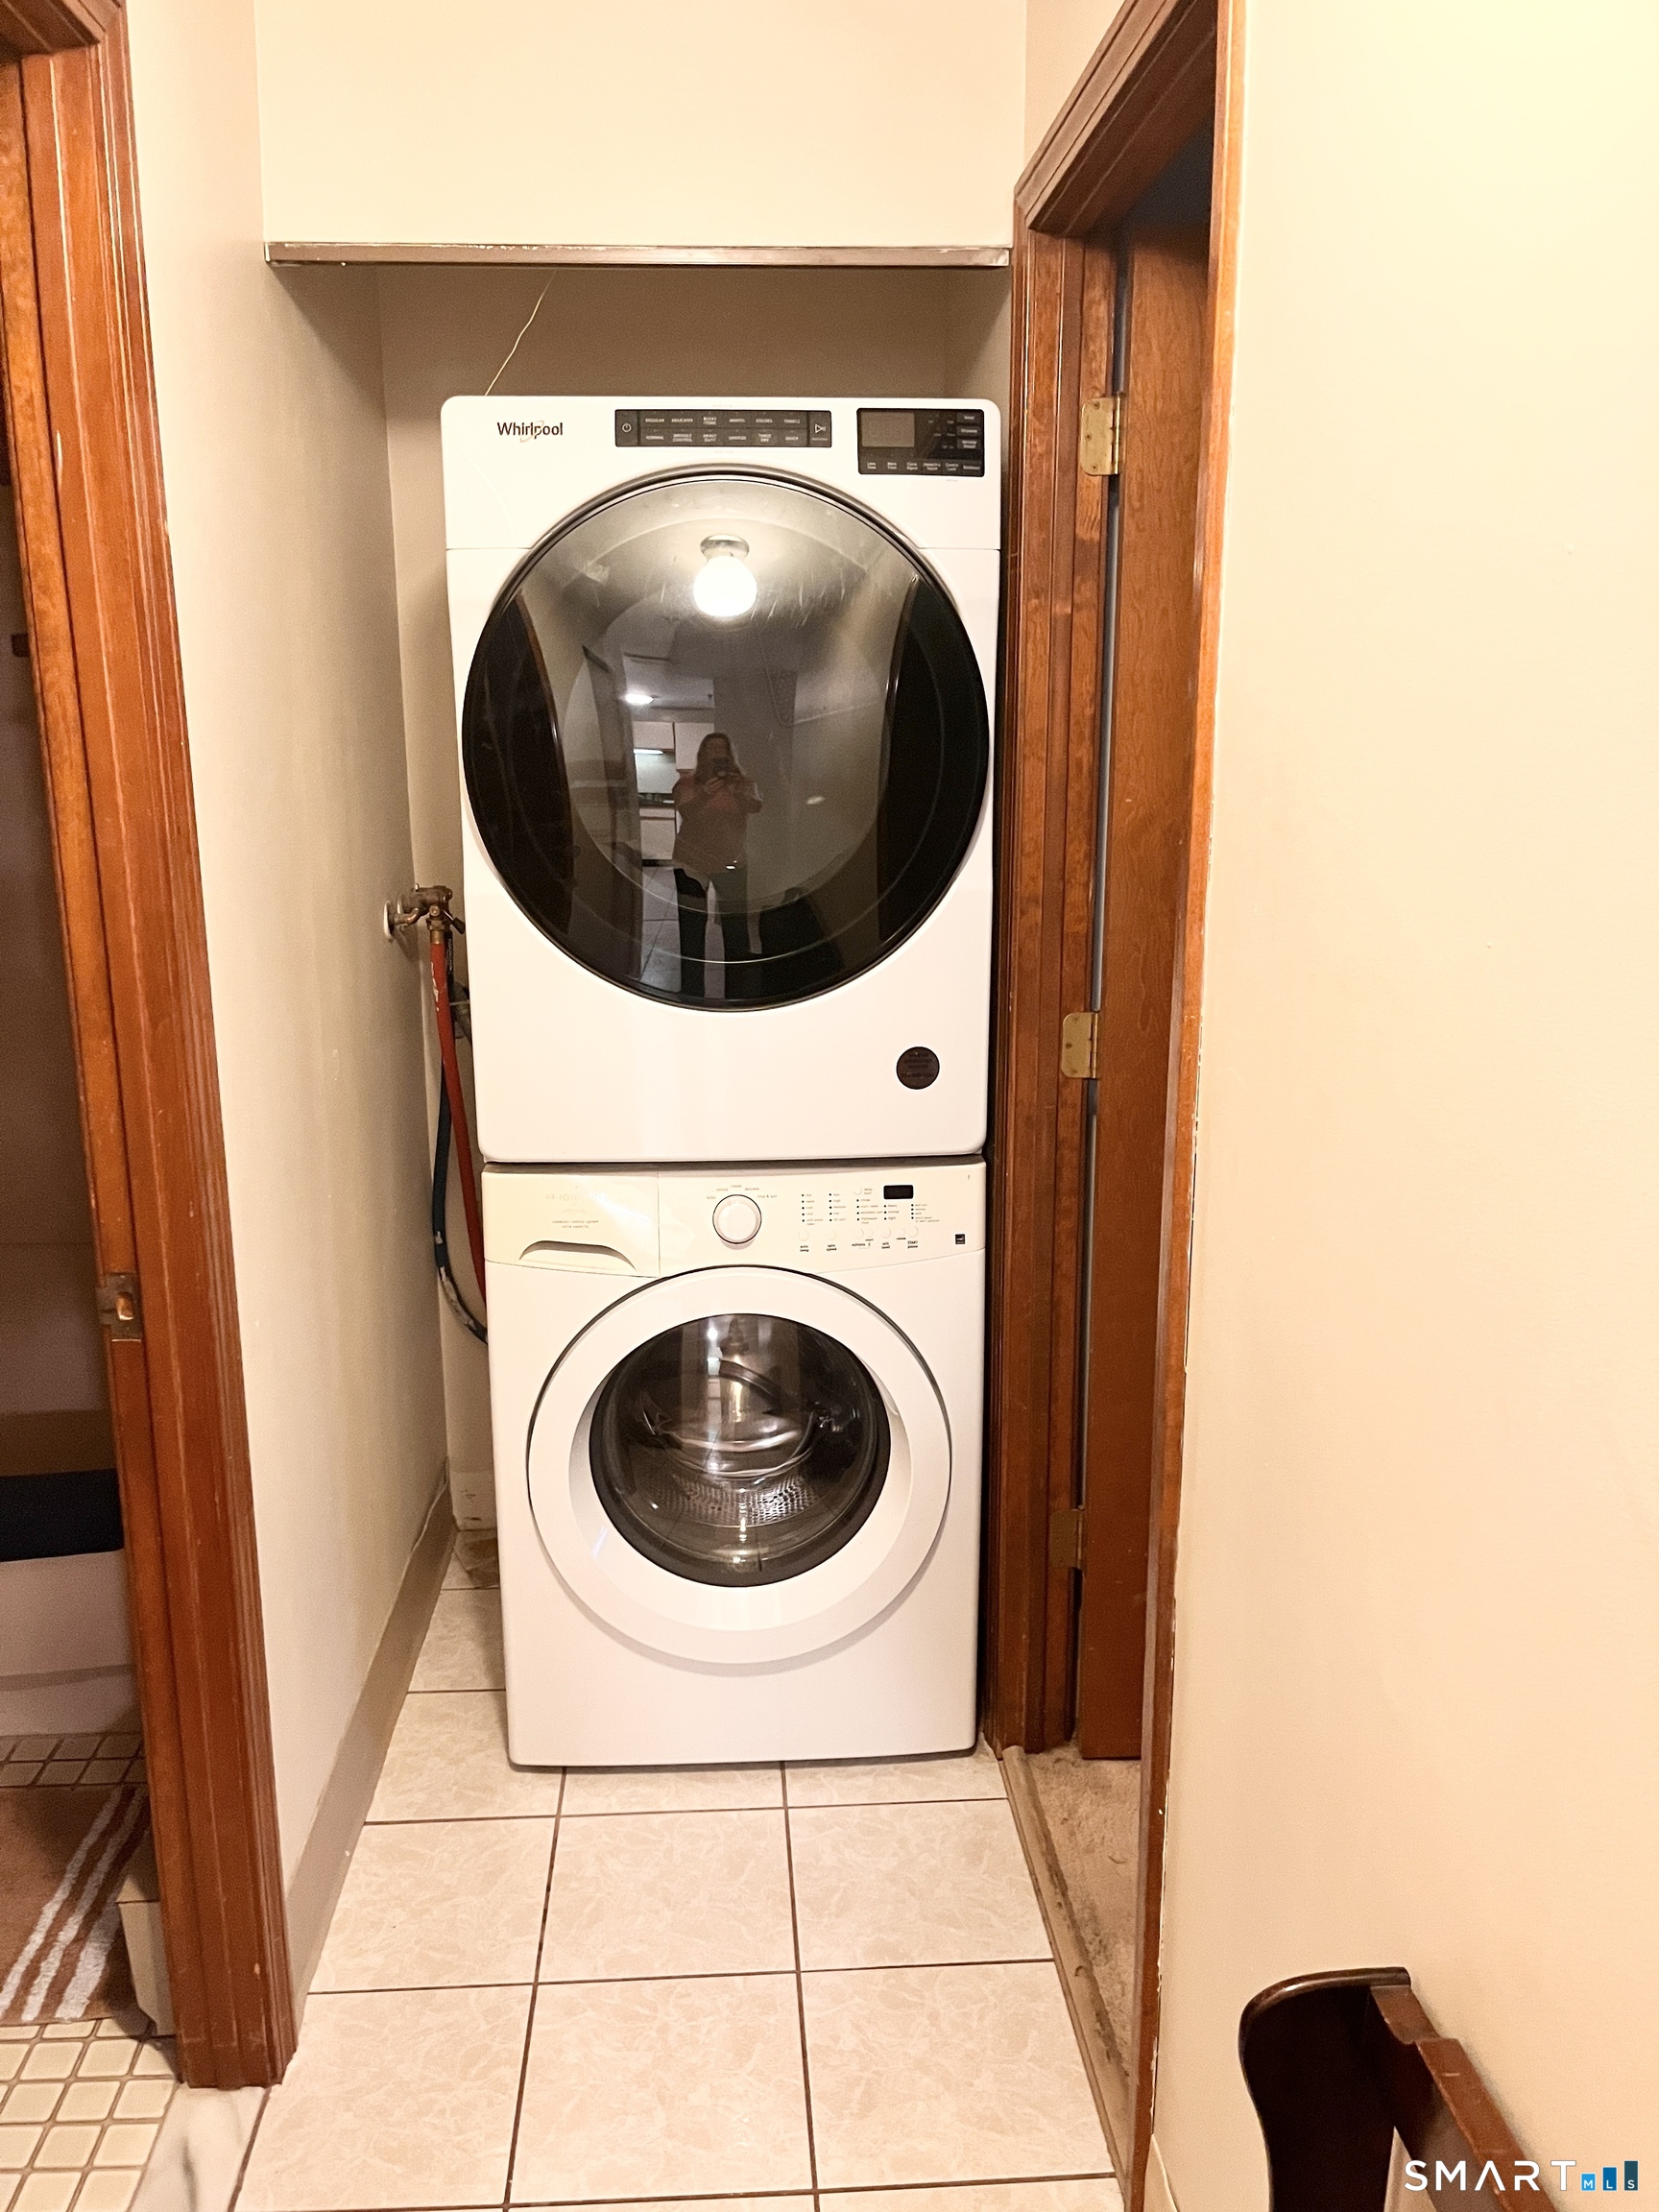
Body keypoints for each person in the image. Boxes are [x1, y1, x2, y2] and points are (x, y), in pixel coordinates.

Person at [672, 732, 761, 1000]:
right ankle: (692, 995)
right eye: (710, 749)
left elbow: (757, 806)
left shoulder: (743, 783)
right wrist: (703, 793)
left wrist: (737, 791)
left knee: (736, 930)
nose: (716, 753)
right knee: (692, 930)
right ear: (702, 754)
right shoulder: (687, 783)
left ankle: (737, 996)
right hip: (691, 862)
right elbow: (684, 810)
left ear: (729, 755)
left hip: (731, 862)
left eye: (721, 749)